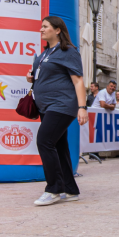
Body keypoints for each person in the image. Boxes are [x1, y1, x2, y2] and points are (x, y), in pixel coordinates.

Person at [27, 16, 88, 206]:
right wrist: (33, 78)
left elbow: (78, 81)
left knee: (44, 141)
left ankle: (53, 189)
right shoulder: (46, 53)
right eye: (41, 26)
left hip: (62, 105)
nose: (41, 29)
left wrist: (82, 107)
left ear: (58, 30)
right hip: (46, 106)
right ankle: (70, 190)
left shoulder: (68, 51)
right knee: (59, 147)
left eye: (45, 26)